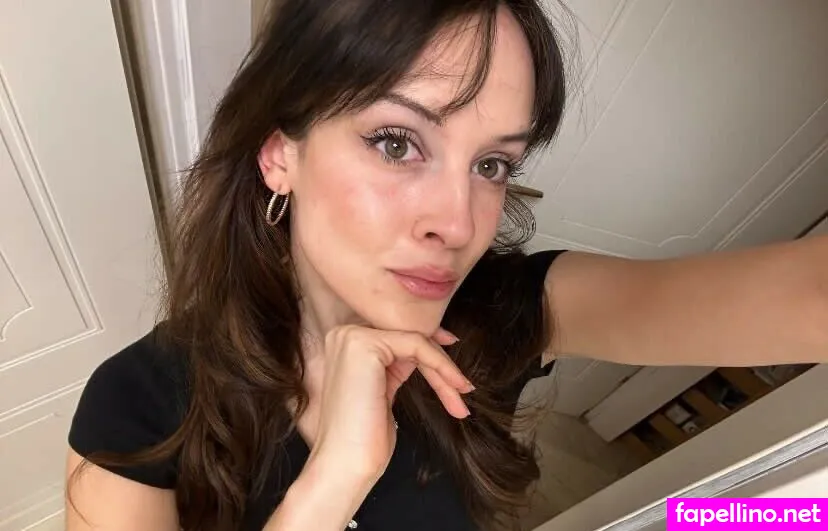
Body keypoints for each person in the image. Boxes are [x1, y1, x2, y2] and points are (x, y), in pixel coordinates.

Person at [65, 1, 828, 530]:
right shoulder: (137, 408)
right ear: (278, 155)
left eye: (492, 164)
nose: (460, 224)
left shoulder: (503, 316)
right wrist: (332, 482)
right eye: (397, 142)